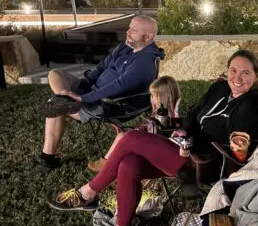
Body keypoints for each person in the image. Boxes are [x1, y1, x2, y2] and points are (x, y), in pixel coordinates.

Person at [47, 50, 258, 226]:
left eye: (245, 73)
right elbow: (192, 115)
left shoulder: (250, 106)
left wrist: (194, 143)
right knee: (129, 163)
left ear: (256, 76)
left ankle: (87, 194)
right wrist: (183, 132)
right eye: (233, 70)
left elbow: (238, 153)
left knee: (130, 138)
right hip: (183, 148)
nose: (237, 77)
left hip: (205, 164)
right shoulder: (219, 87)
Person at [36, 15, 164, 171]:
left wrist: (83, 97)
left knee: (53, 106)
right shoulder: (125, 47)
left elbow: (118, 86)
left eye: (134, 29)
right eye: (129, 27)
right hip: (90, 91)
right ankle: (64, 97)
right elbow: (101, 68)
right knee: (55, 74)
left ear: (148, 36)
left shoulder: (144, 62)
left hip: (108, 103)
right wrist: (84, 84)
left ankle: (47, 158)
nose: (128, 32)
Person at [87, 75, 181, 173]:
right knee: (123, 135)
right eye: (151, 95)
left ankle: (107, 164)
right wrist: (142, 129)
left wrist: (142, 133)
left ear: (163, 98)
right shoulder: (162, 112)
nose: (151, 99)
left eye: (153, 96)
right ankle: (108, 163)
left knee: (123, 136)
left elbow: (159, 137)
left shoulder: (168, 117)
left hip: (155, 152)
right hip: (150, 142)